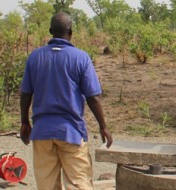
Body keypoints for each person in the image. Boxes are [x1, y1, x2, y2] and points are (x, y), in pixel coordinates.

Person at [19, 12, 113, 190]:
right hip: (71, 133)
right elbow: (92, 97)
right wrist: (103, 126)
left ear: (50, 31)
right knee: (79, 184)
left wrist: (24, 122)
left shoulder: (35, 57)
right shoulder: (80, 57)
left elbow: (25, 94)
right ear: (70, 32)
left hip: (42, 133)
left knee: (46, 186)